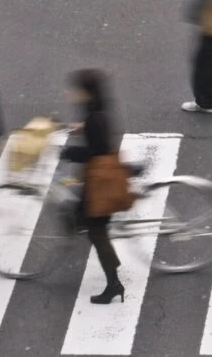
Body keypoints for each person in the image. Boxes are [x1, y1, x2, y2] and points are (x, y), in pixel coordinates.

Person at [62, 69, 128, 304]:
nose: (71, 93)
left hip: (98, 183)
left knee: (97, 232)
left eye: (76, 90)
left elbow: (95, 152)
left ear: (85, 93)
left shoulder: (94, 118)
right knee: (93, 227)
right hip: (100, 178)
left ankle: (113, 283)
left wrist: (69, 152)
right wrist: (81, 128)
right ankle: (112, 273)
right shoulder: (97, 110)